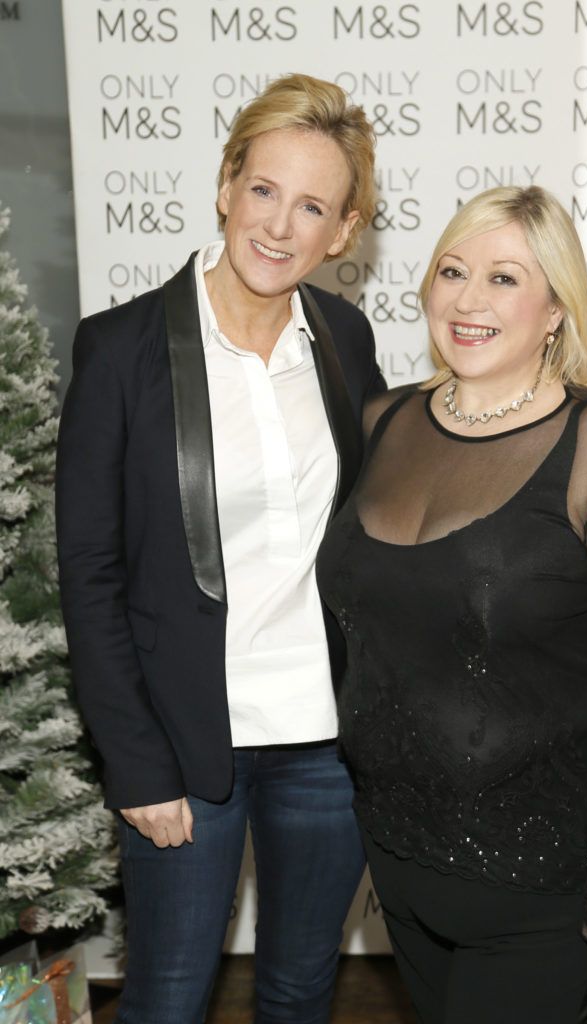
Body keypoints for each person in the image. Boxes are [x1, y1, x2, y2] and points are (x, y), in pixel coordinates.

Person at [56, 74, 385, 1024]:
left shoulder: (344, 341)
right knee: (167, 997)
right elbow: (90, 572)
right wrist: (137, 764)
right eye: (265, 190)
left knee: (299, 986)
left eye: (313, 205)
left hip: (325, 742)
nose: (280, 226)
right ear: (226, 187)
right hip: (185, 742)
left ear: (342, 232)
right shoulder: (120, 350)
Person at [316, 185, 587, 1024]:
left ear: (555, 307)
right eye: (453, 270)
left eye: (504, 279)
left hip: (540, 889)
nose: (468, 299)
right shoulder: (383, 421)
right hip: (400, 864)